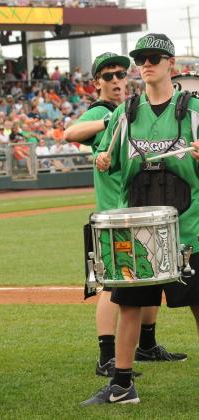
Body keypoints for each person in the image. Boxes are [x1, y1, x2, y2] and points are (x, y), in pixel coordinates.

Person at [83, 34, 199, 405]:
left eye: (153, 57)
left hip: (189, 228)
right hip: (137, 231)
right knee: (129, 305)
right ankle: (121, 385)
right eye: (141, 58)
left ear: (171, 63)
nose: (146, 63)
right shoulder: (125, 112)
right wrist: (102, 159)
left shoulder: (194, 110)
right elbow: (108, 157)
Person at [66, 53, 187, 380]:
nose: (116, 80)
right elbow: (69, 133)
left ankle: (146, 345)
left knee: (148, 277)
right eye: (108, 76)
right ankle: (107, 356)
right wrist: (111, 122)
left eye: (120, 73)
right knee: (113, 287)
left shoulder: (138, 111)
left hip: (138, 213)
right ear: (97, 83)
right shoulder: (105, 112)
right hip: (114, 215)